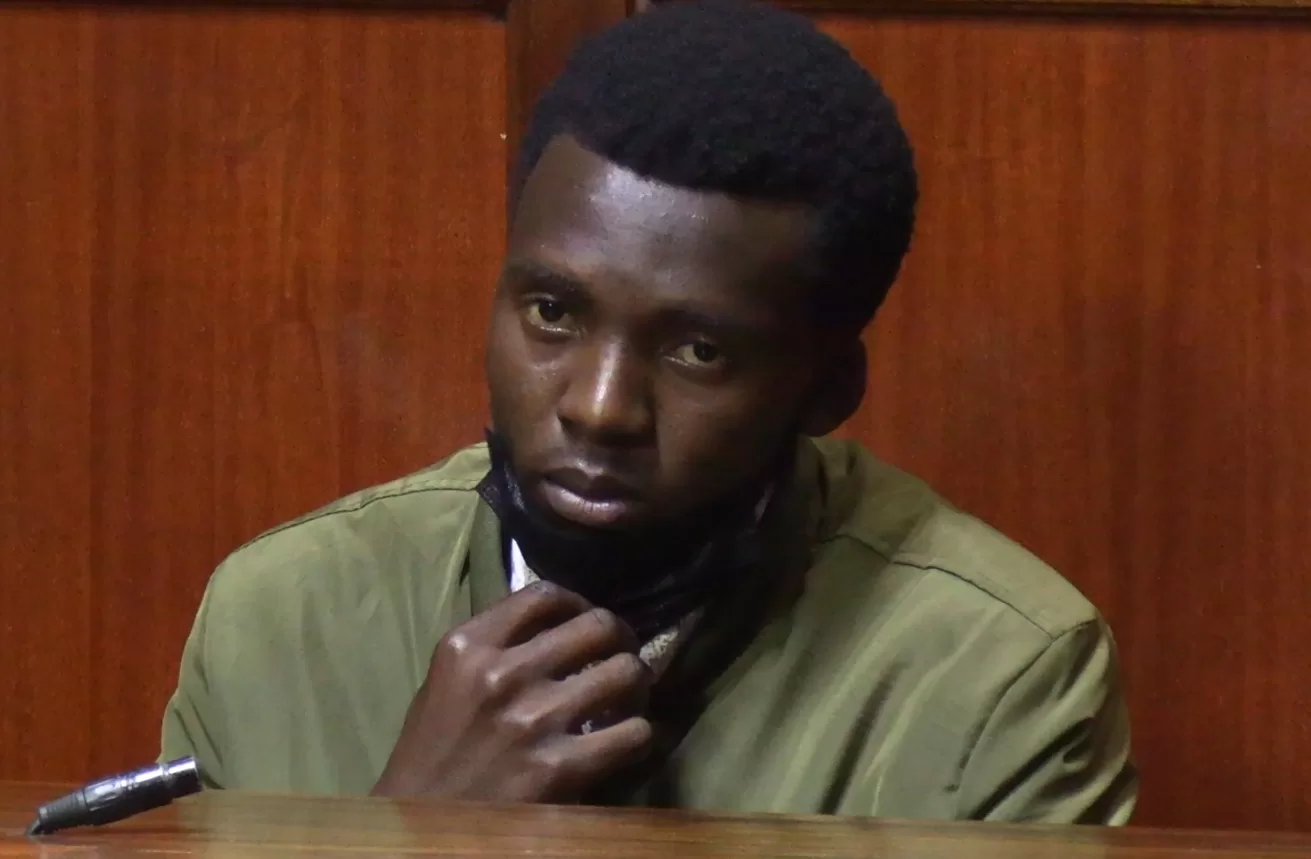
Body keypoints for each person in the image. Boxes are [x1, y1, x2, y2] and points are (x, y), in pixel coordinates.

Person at [159, 0, 1137, 824]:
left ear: (827, 389)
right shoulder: (281, 618)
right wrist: (410, 832)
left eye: (697, 351)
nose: (598, 408)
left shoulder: (998, 679)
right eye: (553, 312)